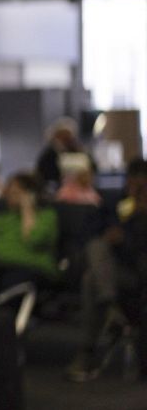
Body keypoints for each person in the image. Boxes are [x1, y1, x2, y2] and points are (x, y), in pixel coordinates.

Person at [66, 161, 147, 382]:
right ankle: (109, 306)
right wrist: (110, 236)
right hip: (110, 270)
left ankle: (87, 352)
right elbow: (87, 235)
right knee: (96, 249)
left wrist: (130, 231)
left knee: (91, 279)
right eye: (132, 181)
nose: (134, 187)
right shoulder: (112, 203)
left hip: (135, 274)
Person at [0, 173, 60, 291]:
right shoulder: (3, 217)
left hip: (33, 269)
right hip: (2, 268)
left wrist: (27, 210)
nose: (11, 196)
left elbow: (33, 239)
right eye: (10, 192)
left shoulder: (46, 216)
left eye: (17, 193)